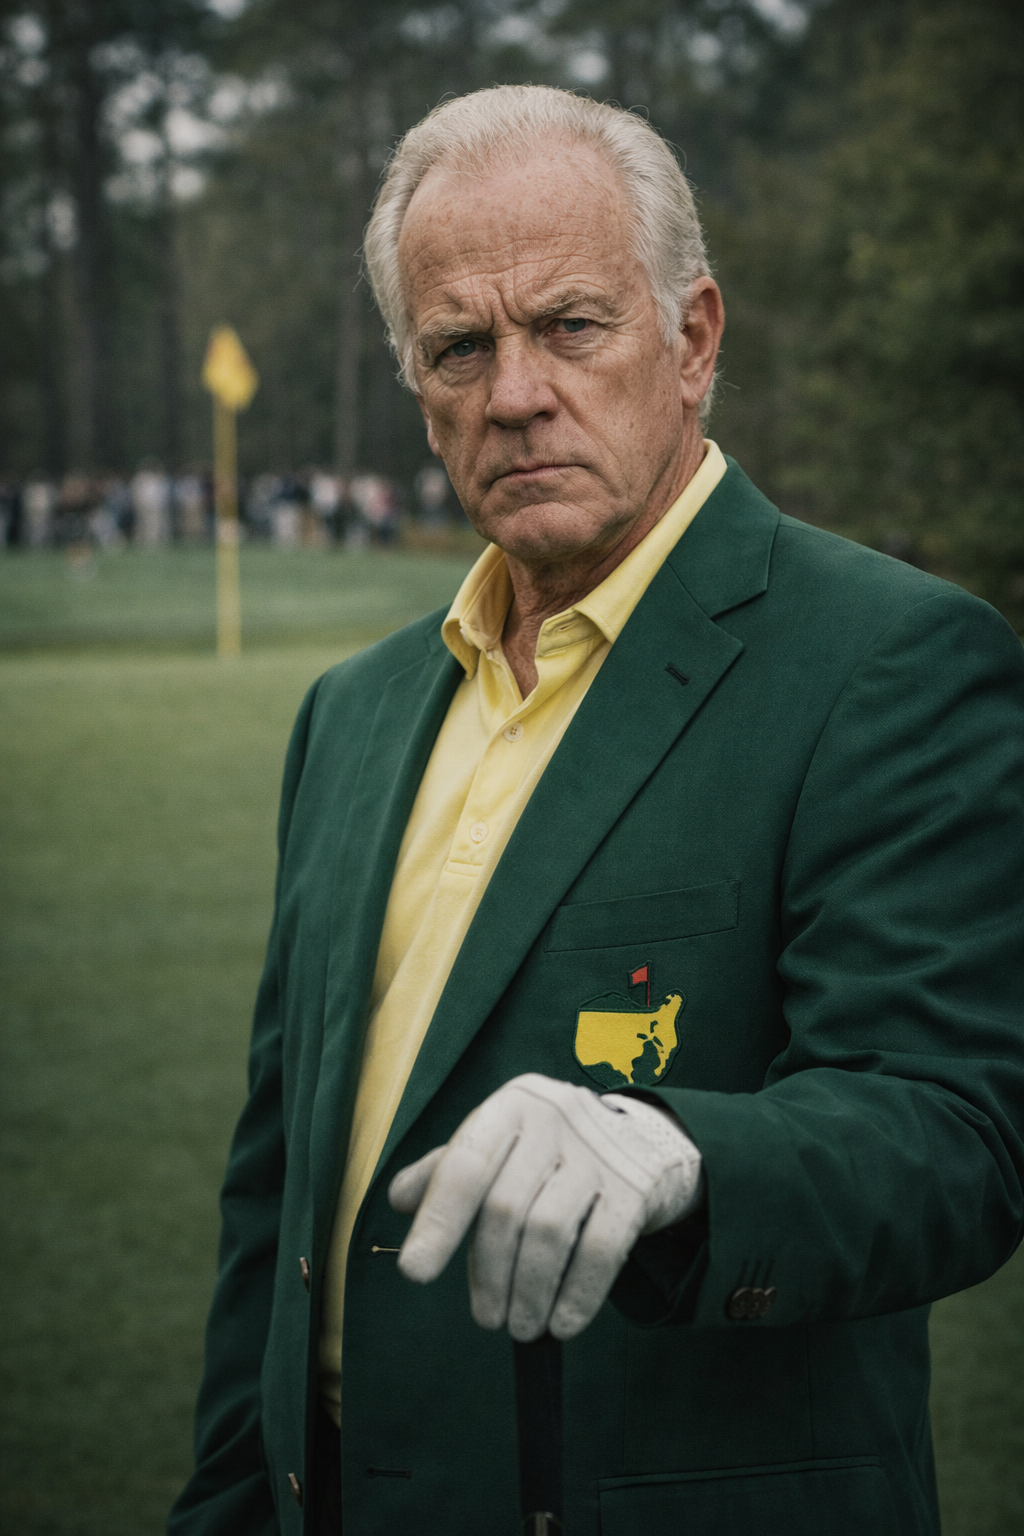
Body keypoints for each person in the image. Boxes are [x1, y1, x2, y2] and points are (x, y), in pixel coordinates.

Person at [169, 86, 1024, 1536]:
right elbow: (275, 1204)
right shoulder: (353, 714)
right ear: (416, 382)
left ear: (692, 339)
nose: (513, 392)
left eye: (570, 325)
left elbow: (959, 1131)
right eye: (459, 347)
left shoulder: (885, 660)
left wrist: (684, 1151)